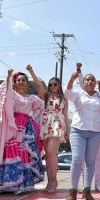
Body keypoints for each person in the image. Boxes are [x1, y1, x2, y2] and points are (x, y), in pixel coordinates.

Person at [0, 69, 45, 194]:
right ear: (15, 82)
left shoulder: (32, 98)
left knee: (24, 151)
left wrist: (32, 118)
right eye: (18, 80)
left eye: (23, 80)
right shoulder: (11, 94)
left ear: (27, 83)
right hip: (12, 125)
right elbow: (2, 92)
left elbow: (42, 106)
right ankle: (9, 183)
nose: (21, 82)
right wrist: (8, 76)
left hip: (25, 126)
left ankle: (22, 184)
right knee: (12, 151)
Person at [64, 69, 100, 200]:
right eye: (87, 79)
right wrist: (72, 79)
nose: (89, 81)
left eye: (92, 80)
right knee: (77, 159)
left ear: (95, 83)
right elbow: (67, 93)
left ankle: (87, 190)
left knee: (91, 162)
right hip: (78, 131)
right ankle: (72, 191)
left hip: (96, 132)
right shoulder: (78, 95)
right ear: (83, 82)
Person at [27, 65, 70, 193]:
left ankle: (55, 180)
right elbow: (39, 85)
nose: (52, 87)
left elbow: (66, 115)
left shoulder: (64, 99)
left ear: (59, 85)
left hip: (57, 125)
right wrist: (31, 71)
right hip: (45, 124)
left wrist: (67, 131)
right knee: (48, 154)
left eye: (55, 84)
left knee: (52, 152)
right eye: (50, 85)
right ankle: (50, 180)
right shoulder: (46, 97)